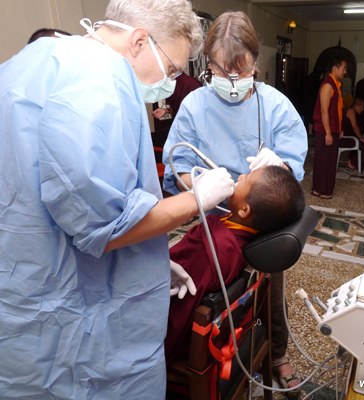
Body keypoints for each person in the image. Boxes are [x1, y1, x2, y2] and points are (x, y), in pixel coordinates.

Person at [0, 1, 236, 398]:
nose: (170, 82)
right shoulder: (97, 78)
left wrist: (152, 260)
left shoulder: (28, 63)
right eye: (173, 69)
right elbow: (105, 228)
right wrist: (197, 199)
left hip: (25, 294)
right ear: (140, 41)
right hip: (72, 321)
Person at [163, 11, 307, 394]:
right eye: (221, 70)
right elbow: (175, 166)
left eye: (239, 70)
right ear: (207, 64)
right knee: (205, 288)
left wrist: (281, 167)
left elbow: (291, 174)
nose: (230, 80)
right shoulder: (195, 106)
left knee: (267, 290)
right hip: (214, 221)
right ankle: (209, 347)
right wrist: (199, 185)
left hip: (259, 223)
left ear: (255, 64)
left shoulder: (275, 107)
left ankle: (274, 353)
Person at [165, 165, 306, 362]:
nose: (239, 176)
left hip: (181, 339)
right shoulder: (252, 235)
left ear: (244, 210)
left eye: (245, 179)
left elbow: (175, 302)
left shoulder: (211, 247)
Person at [311, 56, 347, 199]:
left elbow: (336, 110)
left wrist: (339, 128)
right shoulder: (328, 85)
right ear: (335, 68)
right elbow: (324, 111)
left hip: (333, 129)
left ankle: (324, 189)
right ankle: (319, 189)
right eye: (343, 68)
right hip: (325, 131)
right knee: (323, 161)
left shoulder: (335, 84)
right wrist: (328, 133)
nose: (345, 71)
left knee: (330, 162)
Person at [340, 97, 364, 171]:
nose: (363, 109)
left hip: (348, 137)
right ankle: (353, 163)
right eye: (362, 107)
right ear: (357, 105)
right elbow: (354, 126)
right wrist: (361, 138)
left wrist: (361, 137)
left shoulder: (351, 111)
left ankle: (351, 161)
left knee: (362, 142)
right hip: (345, 139)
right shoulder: (351, 111)